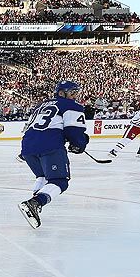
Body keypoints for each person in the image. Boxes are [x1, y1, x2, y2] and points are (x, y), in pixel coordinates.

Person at [18, 81, 89, 229]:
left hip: (27, 145)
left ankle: (34, 205)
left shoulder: (40, 105)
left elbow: (30, 127)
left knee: (43, 177)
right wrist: (79, 144)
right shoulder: (71, 106)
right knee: (60, 181)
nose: (75, 95)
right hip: (49, 145)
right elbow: (74, 130)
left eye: (76, 92)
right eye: (72, 92)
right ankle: (35, 203)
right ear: (61, 93)